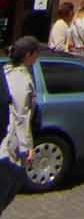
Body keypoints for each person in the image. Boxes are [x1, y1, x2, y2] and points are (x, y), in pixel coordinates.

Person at [0, 37, 40, 214]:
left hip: (7, 141)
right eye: (36, 53)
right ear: (29, 54)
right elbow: (20, 115)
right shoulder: (20, 80)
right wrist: (27, 147)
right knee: (11, 182)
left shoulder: (7, 72)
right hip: (8, 144)